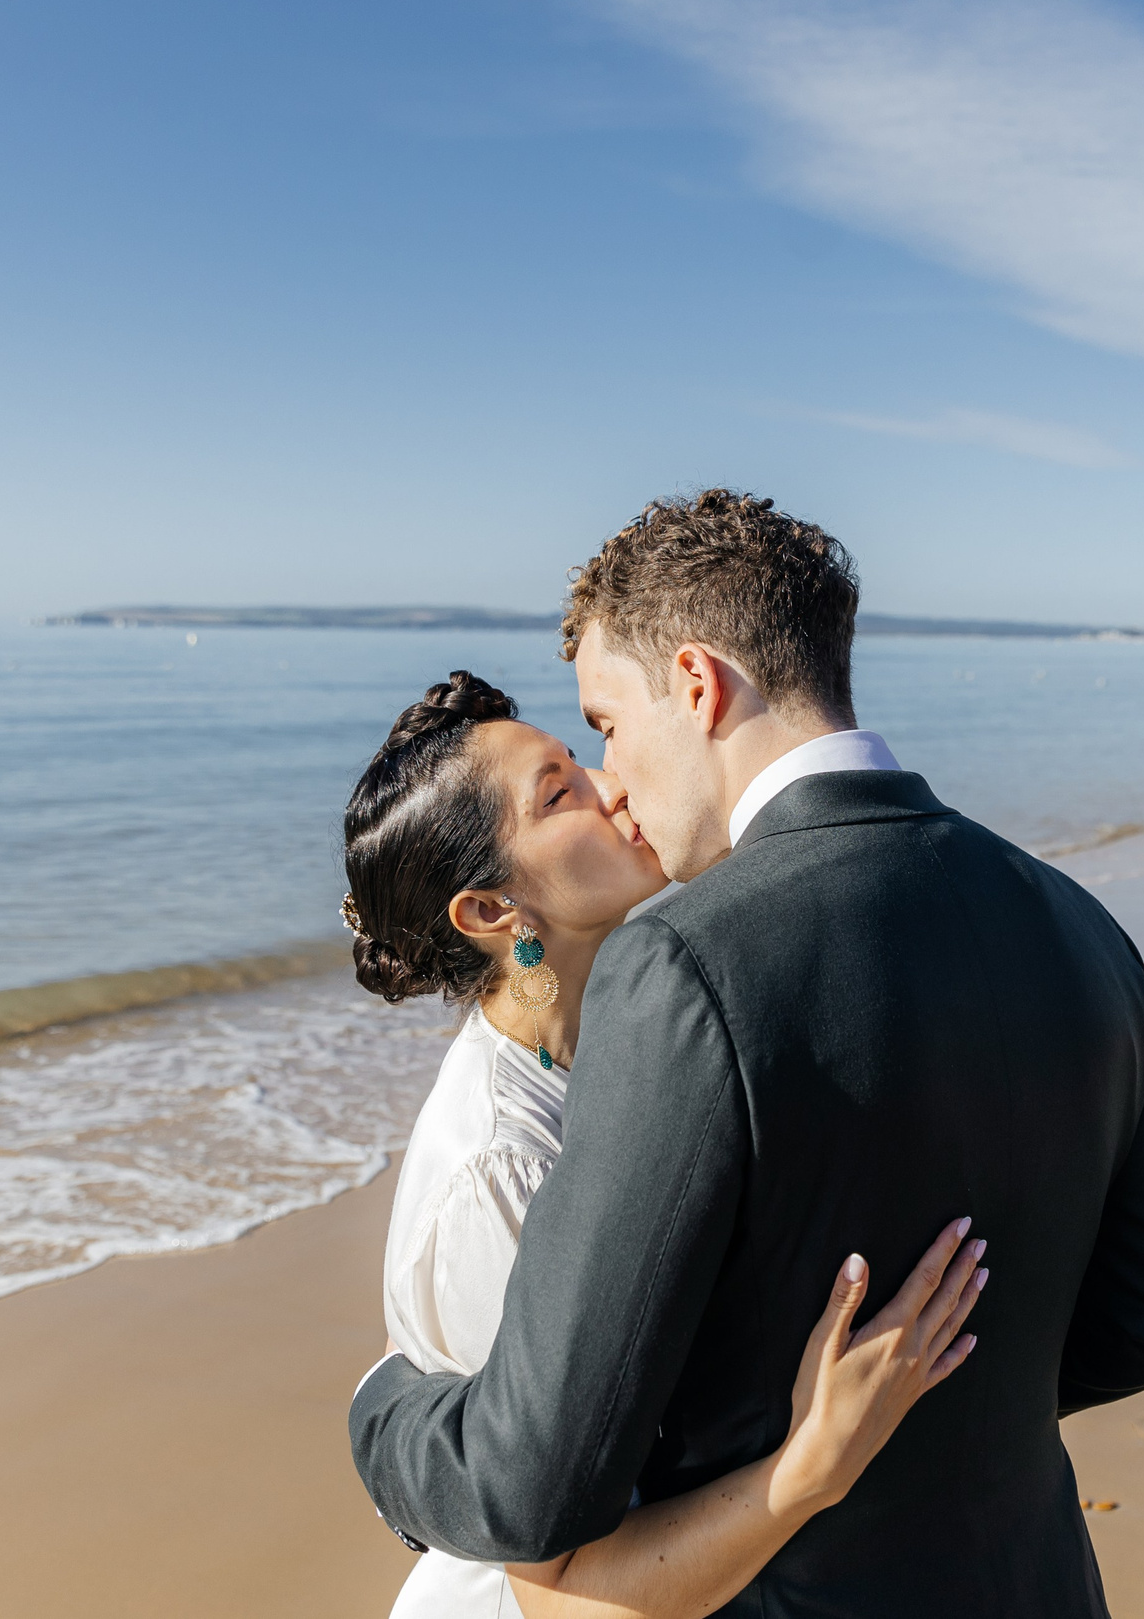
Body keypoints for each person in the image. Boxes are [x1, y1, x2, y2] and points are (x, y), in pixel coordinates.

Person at [352, 491, 1144, 1617]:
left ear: (695, 683)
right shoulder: (1075, 921)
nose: (611, 777)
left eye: (606, 726)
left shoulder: (683, 964)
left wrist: (381, 1415)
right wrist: (956, 1398)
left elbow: (528, 1490)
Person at [342, 672, 986, 1618]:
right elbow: (561, 1591)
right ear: (491, 912)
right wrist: (811, 1462)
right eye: (560, 792)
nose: (614, 784)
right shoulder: (500, 1168)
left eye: (582, 754)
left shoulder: (630, 1039)